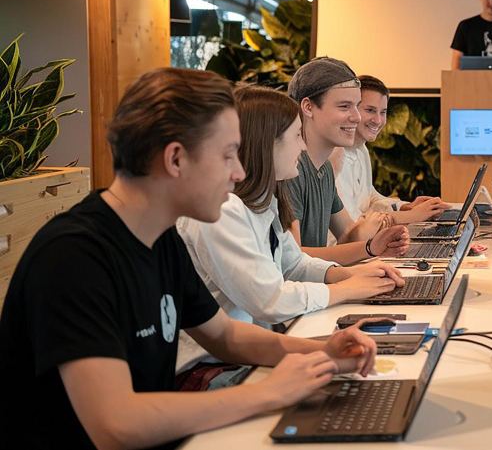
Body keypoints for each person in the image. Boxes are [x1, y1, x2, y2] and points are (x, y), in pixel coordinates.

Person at [0, 68, 379, 449]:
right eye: (228, 155)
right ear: (176, 159)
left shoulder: (161, 239)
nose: (239, 172)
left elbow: (225, 335)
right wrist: (268, 393)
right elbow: (116, 425)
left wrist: (324, 353)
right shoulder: (74, 257)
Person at [175, 85, 405, 373]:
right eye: (297, 136)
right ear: (266, 143)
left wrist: (351, 275)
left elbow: (294, 263)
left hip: (248, 352)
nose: (303, 147)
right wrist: (347, 289)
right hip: (211, 366)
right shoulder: (224, 210)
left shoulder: (265, 200)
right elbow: (270, 300)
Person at [285, 57, 411, 262]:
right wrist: (369, 248)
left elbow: (347, 235)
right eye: (344, 107)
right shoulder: (291, 169)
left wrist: (380, 241)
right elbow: (293, 258)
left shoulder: (324, 169)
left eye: (357, 106)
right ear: (308, 107)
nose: (357, 117)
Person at [330, 75, 450, 223]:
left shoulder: (361, 149)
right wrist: (413, 216)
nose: (378, 120)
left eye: (383, 112)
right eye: (370, 110)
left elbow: (369, 195)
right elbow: (352, 223)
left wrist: (405, 207)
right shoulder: (333, 157)